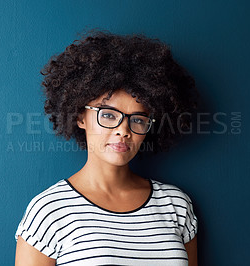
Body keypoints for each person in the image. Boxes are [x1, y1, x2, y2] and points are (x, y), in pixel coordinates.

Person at [15, 29, 200, 266]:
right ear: (80, 117)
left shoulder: (176, 205)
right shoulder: (49, 210)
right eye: (109, 115)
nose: (123, 130)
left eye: (138, 119)